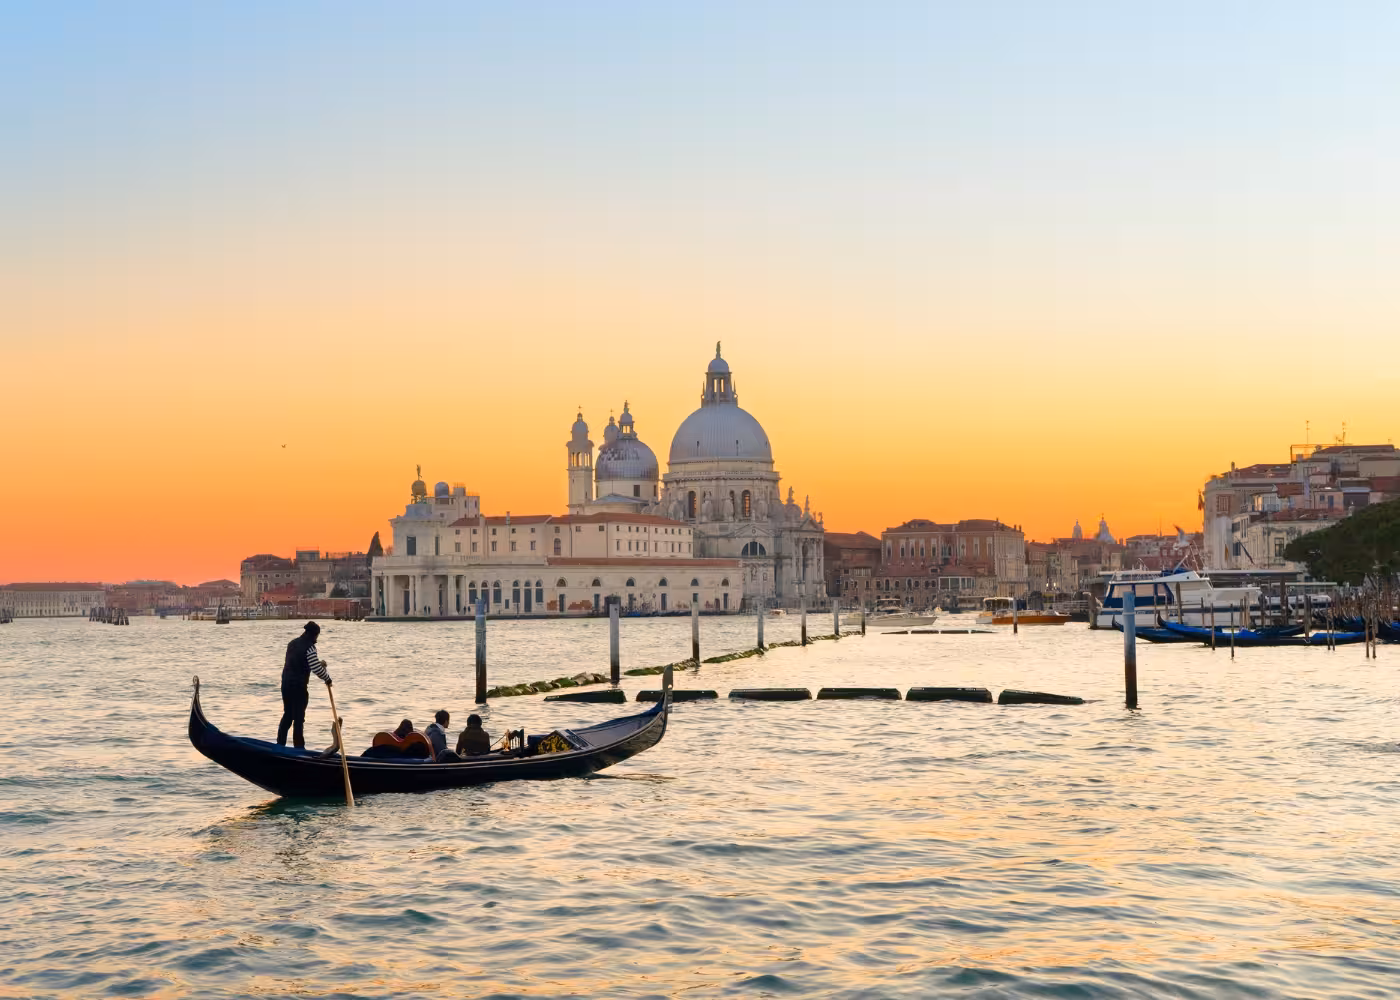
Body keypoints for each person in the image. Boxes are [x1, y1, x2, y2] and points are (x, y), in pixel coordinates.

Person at [277, 621, 331, 748]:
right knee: (299, 718)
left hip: (286, 684)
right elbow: (315, 668)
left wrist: (319, 664)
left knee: (288, 715)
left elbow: (302, 663)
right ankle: (299, 748)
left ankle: (280, 744)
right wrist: (327, 679)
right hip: (299, 687)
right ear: (314, 635)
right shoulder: (310, 647)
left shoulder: (292, 644)